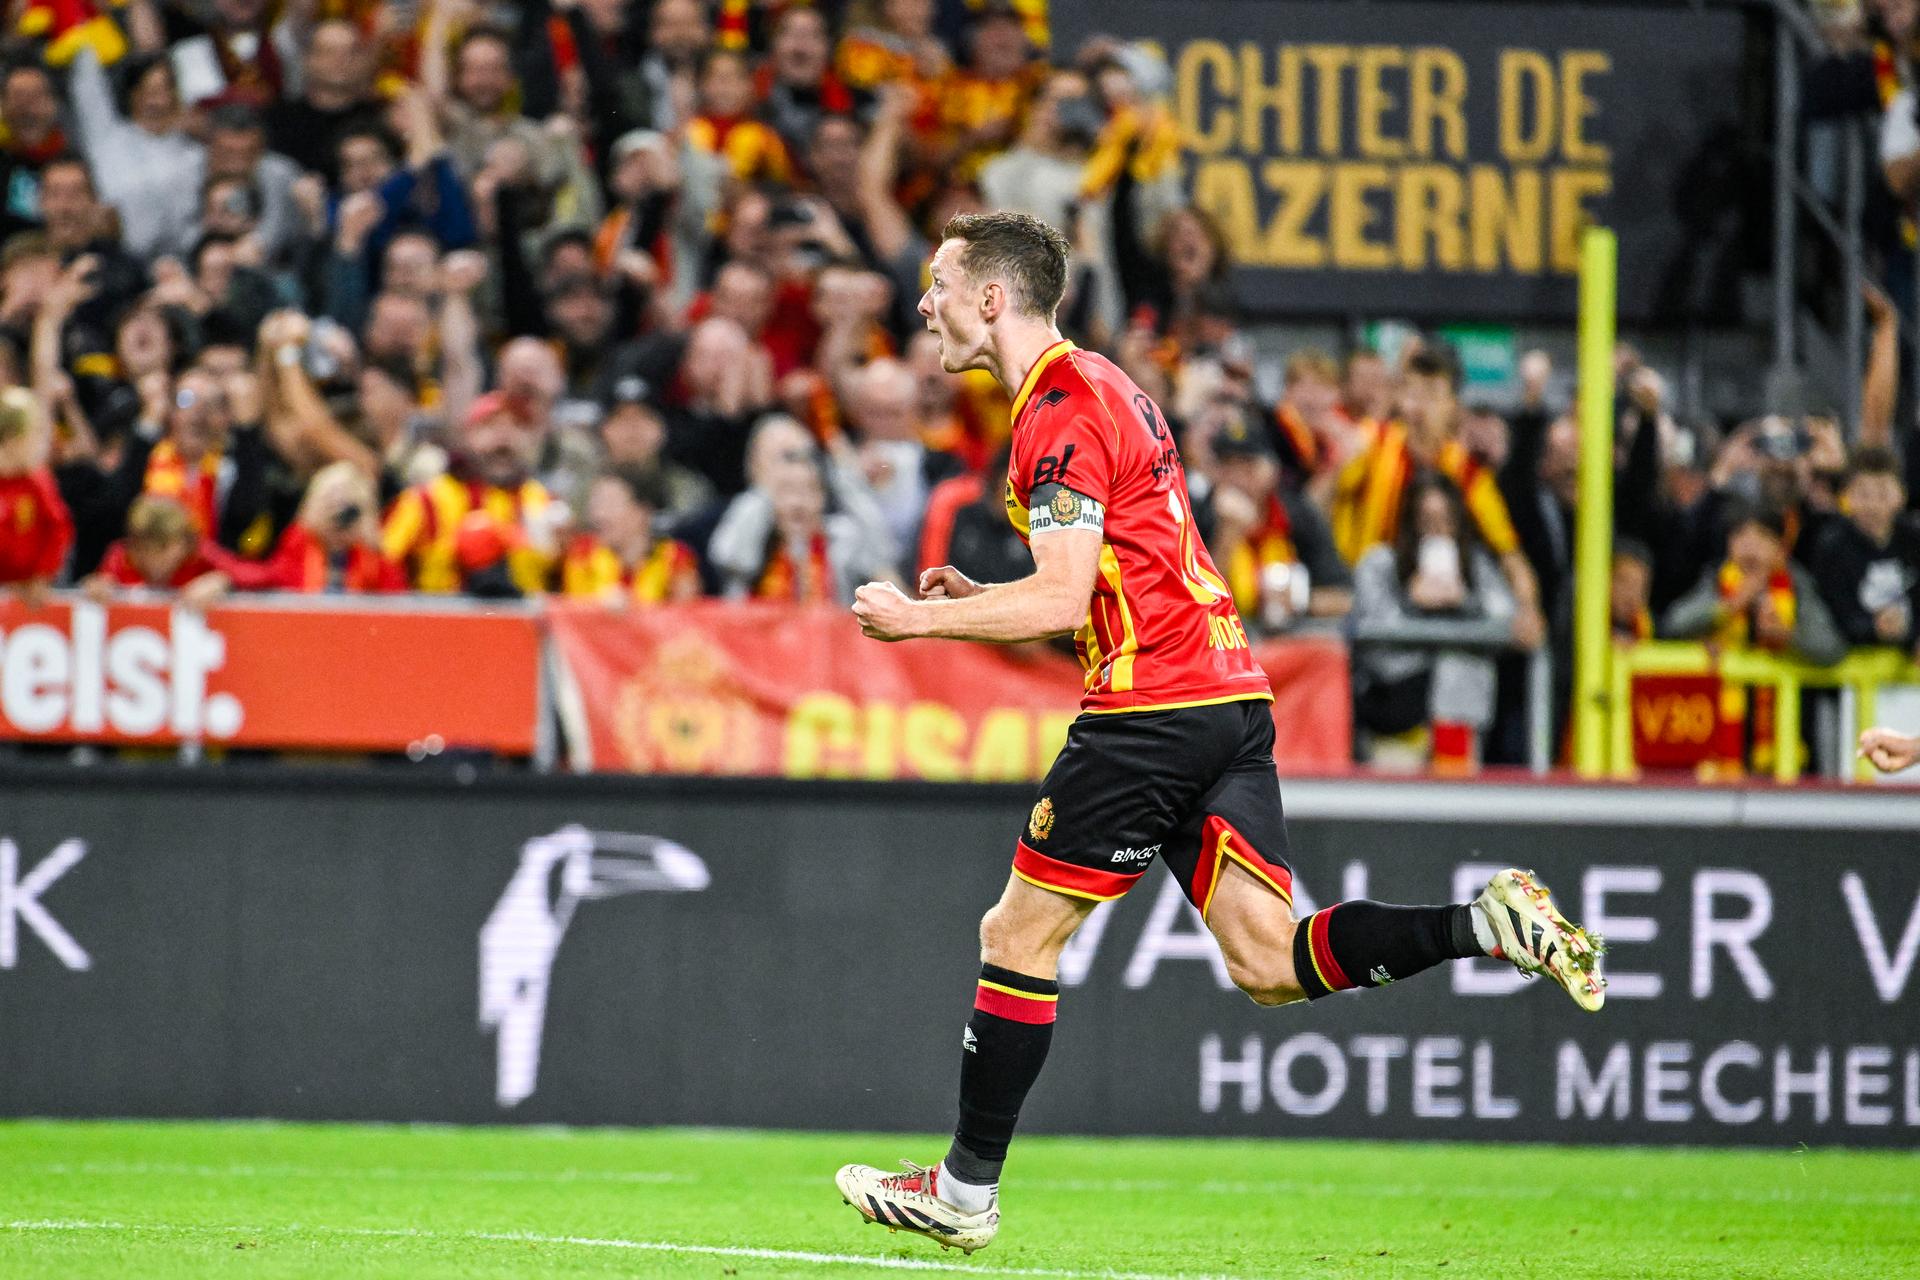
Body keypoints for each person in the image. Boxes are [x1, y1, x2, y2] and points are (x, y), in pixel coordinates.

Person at [834, 211, 1606, 1255]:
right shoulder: (1108, 386)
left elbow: (1063, 592)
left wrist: (922, 620)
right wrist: (991, 595)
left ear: (988, 298)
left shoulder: (1055, 411)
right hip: (1226, 698)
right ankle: (1486, 923)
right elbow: (1111, 580)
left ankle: (965, 1190)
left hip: (1152, 713)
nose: (921, 303)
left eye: (937, 283)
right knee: (1266, 959)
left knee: (1016, 937)